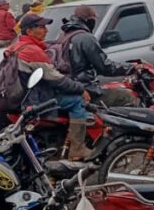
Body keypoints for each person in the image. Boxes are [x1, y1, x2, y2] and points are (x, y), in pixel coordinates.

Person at [8, 13, 93, 159]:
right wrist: (79, 88)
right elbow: (56, 79)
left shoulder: (16, 46)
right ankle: (77, 149)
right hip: (35, 100)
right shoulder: (33, 51)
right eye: (41, 27)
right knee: (77, 101)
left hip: (21, 96)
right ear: (29, 31)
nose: (46, 30)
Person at [58, 5, 138, 107]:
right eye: (93, 19)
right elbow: (105, 67)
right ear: (88, 20)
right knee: (126, 96)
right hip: (85, 90)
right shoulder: (86, 38)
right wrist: (131, 67)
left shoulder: (63, 36)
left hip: (67, 89)